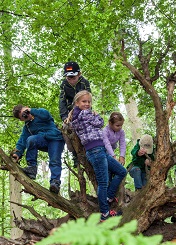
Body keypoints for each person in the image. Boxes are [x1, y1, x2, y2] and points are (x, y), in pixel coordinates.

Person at [66, 90, 127, 222]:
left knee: (121, 171)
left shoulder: (76, 116)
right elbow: (99, 122)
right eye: (84, 101)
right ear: (77, 103)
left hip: (100, 150)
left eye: (89, 101)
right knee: (103, 182)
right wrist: (97, 115)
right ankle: (105, 213)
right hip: (95, 150)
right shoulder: (84, 113)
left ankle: (108, 197)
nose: (87, 104)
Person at [11, 105, 65, 194]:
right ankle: (32, 168)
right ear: (21, 120)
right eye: (23, 116)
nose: (26, 115)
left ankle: (55, 183)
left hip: (55, 139)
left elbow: (46, 115)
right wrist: (17, 153)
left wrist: (31, 110)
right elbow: (22, 140)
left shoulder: (39, 113)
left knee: (54, 160)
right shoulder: (27, 127)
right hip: (43, 141)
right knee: (31, 139)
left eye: (26, 112)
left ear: (27, 108)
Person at [59, 61, 91, 168]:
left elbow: (88, 98)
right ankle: (75, 155)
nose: (71, 80)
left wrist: (88, 112)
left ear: (79, 74)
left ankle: (89, 151)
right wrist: (64, 117)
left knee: (88, 129)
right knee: (66, 130)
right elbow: (62, 101)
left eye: (73, 77)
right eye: (69, 78)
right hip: (70, 114)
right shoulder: (64, 85)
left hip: (84, 111)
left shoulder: (84, 83)